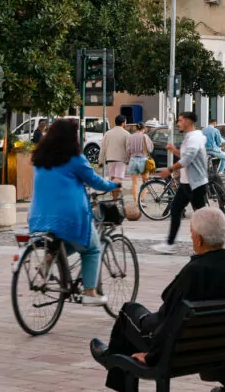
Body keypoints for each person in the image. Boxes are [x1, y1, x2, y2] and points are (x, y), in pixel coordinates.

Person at [85, 207, 225, 392]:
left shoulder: (195, 271)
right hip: (221, 343)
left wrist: (152, 356)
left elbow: (171, 319)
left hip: (177, 346)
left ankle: (117, 384)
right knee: (136, 312)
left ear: (200, 240)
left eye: (192, 235)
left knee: (128, 312)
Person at [29, 118, 120, 306]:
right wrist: (113, 184)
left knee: (67, 241)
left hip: (39, 214)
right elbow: (95, 181)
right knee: (92, 249)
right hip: (69, 215)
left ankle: (49, 258)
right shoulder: (75, 159)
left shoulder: (40, 157)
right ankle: (89, 292)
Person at [154, 111, 209, 255]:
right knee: (176, 209)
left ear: (188, 122)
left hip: (196, 184)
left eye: (180, 121)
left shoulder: (194, 138)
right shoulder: (189, 137)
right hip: (187, 183)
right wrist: (174, 151)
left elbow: (188, 159)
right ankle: (170, 243)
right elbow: (186, 156)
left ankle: (208, 244)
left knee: (200, 216)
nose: (178, 123)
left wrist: (170, 170)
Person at [101, 116, 129, 198]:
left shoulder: (108, 133)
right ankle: (115, 199)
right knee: (118, 179)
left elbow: (103, 147)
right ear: (123, 123)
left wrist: (100, 160)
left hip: (110, 159)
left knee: (112, 179)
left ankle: (114, 198)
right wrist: (128, 159)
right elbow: (129, 148)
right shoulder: (126, 134)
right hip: (121, 160)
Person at [126, 123, 153, 202]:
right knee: (145, 182)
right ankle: (142, 199)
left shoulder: (130, 137)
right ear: (143, 129)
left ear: (136, 128)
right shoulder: (145, 136)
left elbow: (128, 150)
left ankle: (135, 200)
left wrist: (127, 160)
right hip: (143, 160)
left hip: (133, 160)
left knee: (134, 182)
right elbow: (150, 149)